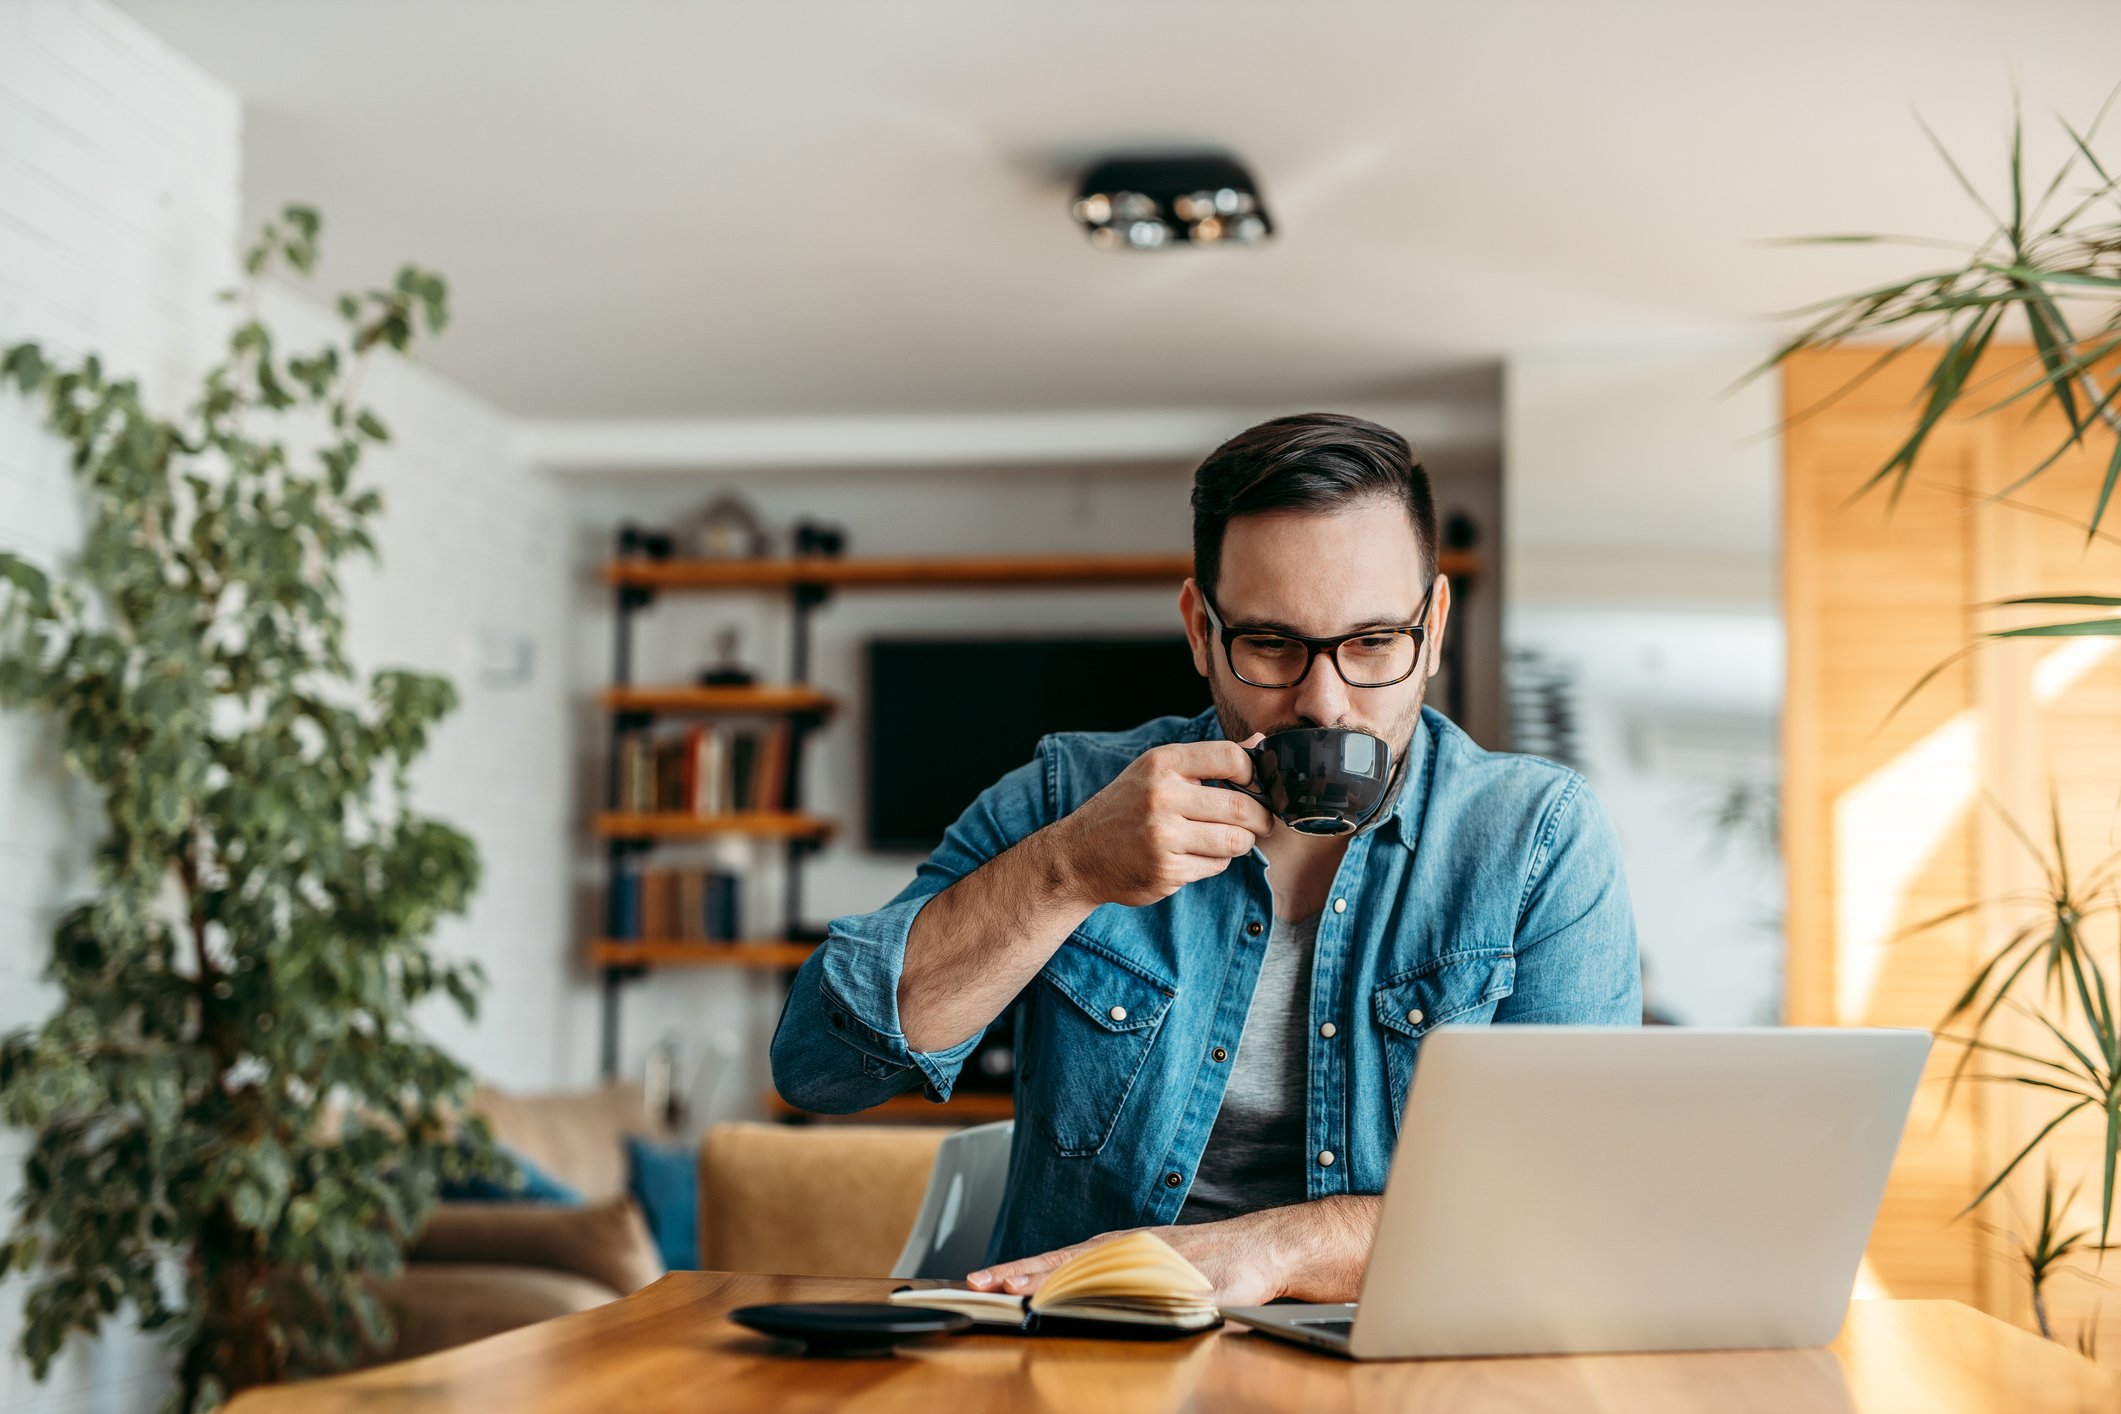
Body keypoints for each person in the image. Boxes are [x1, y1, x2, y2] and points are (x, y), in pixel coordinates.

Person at [769, 412, 1640, 1305]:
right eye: (1271, 645)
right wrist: (1067, 872)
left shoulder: (1535, 839)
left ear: (1436, 624)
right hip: (1094, 1357)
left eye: (1374, 644)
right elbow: (820, 1070)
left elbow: (1572, 1199)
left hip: (1394, 1368)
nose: (1325, 706)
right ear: (1199, 629)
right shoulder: (1068, 797)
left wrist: (1279, 1249)